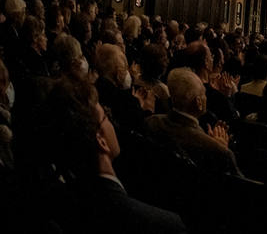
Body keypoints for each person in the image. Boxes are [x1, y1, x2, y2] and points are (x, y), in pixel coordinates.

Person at [22, 78, 187, 232]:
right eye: (106, 115)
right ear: (101, 141)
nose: (110, 120)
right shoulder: (164, 225)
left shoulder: (56, 204)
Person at [143, 67, 241, 176]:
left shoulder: (151, 122)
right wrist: (218, 147)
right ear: (199, 103)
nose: (206, 97)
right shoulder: (220, 152)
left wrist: (208, 141)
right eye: (204, 93)